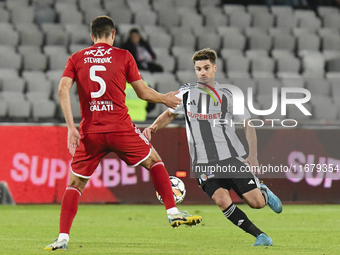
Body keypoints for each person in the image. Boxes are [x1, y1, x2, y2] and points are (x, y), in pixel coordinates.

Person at [44, 16, 202, 251]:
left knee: (75, 183)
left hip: (91, 132)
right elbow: (143, 93)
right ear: (113, 34)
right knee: (154, 161)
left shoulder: (76, 59)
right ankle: (172, 212)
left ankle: (62, 239)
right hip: (120, 128)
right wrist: (164, 98)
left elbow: (62, 89)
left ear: (92, 36)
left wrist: (70, 127)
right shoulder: (123, 56)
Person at [143, 48, 282, 246]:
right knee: (222, 200)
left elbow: (248, 124)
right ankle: (261, 236)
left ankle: (264, 192)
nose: (202, 72)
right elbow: (169, 114)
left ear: (214, 68)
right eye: (198, 68)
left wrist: (253, 156)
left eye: (206, 67)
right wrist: (152, 128)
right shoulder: (186, 93)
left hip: (230, 158)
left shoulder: (229, 95)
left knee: (256, 203)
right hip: (202, 163)